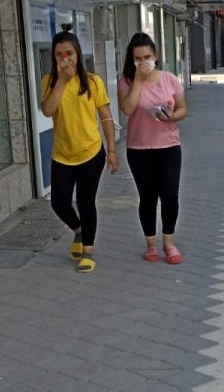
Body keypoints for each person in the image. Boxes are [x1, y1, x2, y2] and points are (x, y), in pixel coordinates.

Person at [40, 29, 118, 273]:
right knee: (59, 202)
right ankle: (79, 231)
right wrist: (62, 81)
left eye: (69, 53)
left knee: (86, 202)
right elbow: (48, 111)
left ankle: (88, 252)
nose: (65, 58)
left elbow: (105, 117)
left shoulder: (93, 81)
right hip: (62, 154)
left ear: (77, 54)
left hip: (91, 152)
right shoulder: (49, 81)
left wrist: (112, 150)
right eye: (59, 54)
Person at [118, 32, 188, 264]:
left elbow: (182, 109)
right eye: (138, 58)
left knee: (169, 194)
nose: (143, 62)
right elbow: (127, 109)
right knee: (147, 196)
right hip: (139, 148)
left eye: (147, 57)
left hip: (168, 145)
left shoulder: (169, 79)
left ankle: (169, 242)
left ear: (155, 56)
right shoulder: (126, 81)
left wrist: (170, 118)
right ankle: (151, 244)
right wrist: (137, 79)